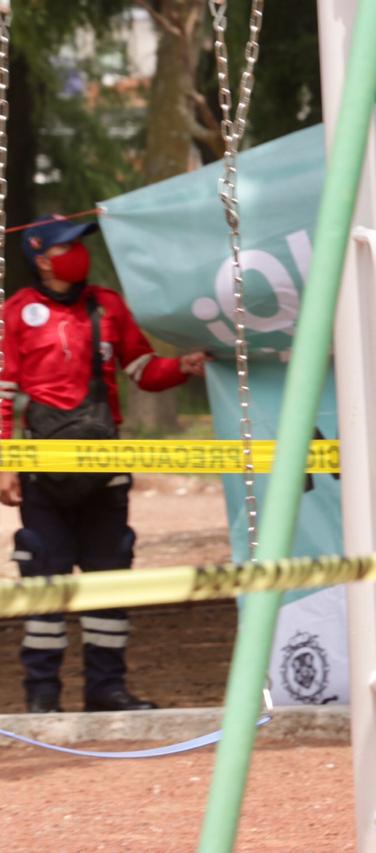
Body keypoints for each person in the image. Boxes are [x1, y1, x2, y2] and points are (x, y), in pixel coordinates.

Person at [0, 215, 209, 714]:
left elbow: (143, 370)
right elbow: (2, 397)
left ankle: (107, 690)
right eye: (67, 247)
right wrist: (6, 464)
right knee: (44, 575)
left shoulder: (108, 306)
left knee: (110, 572)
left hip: (105, 467)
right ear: (41, 258)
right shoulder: (16, 312)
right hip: (43, 471)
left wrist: (180, 367)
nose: (80, 254)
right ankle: (42, 697)